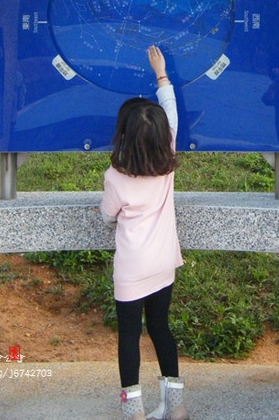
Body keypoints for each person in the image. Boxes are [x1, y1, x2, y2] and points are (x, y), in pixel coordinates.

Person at [100, 45, 189, 420]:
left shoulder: (116, 177)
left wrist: (111, 215)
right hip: (163, 262)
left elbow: (108, 216)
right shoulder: (167, 158)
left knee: (128, 337)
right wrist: (161, 74)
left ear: (124, 135)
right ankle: (176, 406)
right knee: (160, 328)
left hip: (132, 269)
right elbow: (171, 113)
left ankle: (133, 410)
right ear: (161, 136)